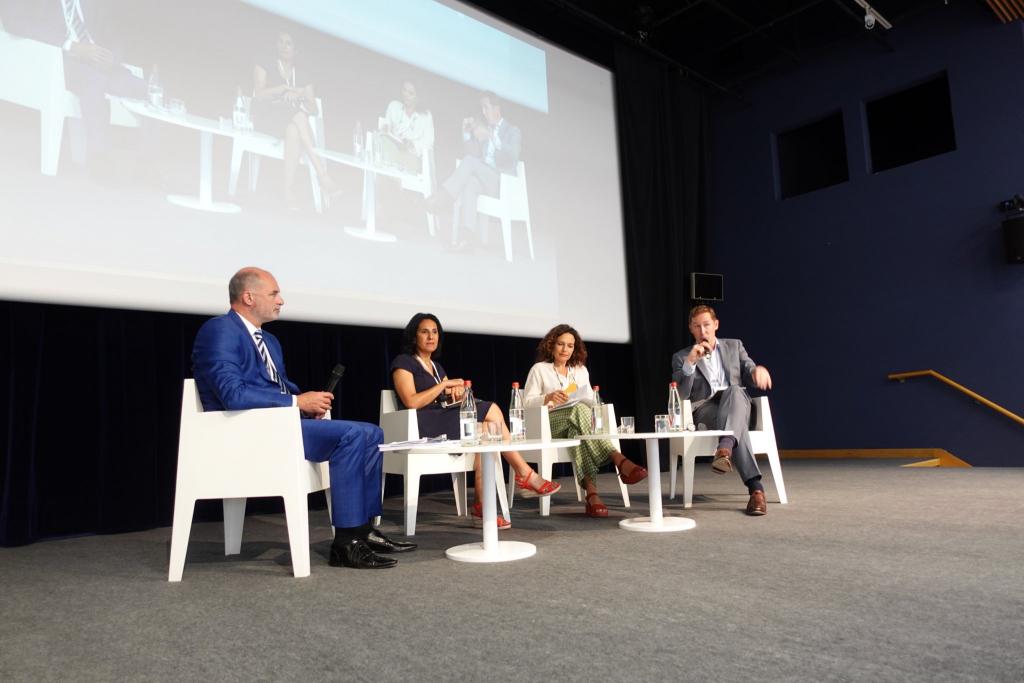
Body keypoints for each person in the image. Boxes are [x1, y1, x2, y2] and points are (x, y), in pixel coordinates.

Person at [192, 267, 416, 569]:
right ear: (247, 296)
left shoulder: (269, 341)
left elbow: (277, 386)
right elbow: (232, 394)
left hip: (279, 426)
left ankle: (363, 530)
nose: (281, 300)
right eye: (274, 294)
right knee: (352, 435)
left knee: (372, 433)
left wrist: (307, 402)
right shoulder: (219, 330)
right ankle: (346, 543)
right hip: (245, 432)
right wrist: (297, 402)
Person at [390, 313, 561, 528]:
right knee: (492, 409)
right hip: (420, 424)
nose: (431, 336)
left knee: (489, 432)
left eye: (435, 332)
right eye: (424, 331)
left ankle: (482, 506)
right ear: (414, 336)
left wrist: (458, 393)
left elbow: (444, 399)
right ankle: (524, 474)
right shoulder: (403, 362)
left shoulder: (436, 367)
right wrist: (443, 386)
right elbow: (412, 401)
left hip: (441, 418)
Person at [1, 0, 146, 175]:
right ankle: (99, 159)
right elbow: (14, 22)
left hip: (99, 63)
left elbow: (111, 31)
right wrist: (71, 45)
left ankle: (148, 164)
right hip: (58, 61)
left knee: (146, 91)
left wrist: (112, 57)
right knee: (94, 81)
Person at [523, 324, 648, 518]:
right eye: (561, 344)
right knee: (579, 413)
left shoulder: (580, 370)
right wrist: (547, 398)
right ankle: (618, 459)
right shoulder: (540, 369)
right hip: (547, 423)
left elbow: (590, 399)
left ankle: (592, 495)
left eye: (570, 346)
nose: (565, 349)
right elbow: (526, 403)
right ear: (551, 345)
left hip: (575, 421)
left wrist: (586, 401)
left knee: (578, 430)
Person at [670, 305, 774, 516]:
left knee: (735, 390)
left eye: (707, 325)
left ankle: (725, 448)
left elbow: (748, 367)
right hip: (707, 411)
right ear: (691, 329)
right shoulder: (681, 357)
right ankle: (756, 490)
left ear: (716, 325)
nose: (703, 331)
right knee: (737, 428)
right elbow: (681, 395)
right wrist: (691, 362)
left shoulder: (734, 346)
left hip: (737, 404)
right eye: (697, 326)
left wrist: (756, 371)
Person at [252, 32, 338, 209]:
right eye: (281, 42)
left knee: (293, 129)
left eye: (289, 43)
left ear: (296, 50)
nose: (284, 46)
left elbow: (314, 108)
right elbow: (259, 94)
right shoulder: (265, 64)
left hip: (291, 123)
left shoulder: (303, 75)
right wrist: (283, 89)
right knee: (298, 118)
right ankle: (322, 174)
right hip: (268, 119)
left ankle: (287, 191)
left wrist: (299, 96)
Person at [426, 90, 521, 249]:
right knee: (469, 183)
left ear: (496, 108)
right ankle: (467, 239)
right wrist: (466, 134)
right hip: (485, 181)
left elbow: (512, 156)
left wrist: (492, 138)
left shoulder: (512, 131)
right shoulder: (485, 131)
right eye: (482, 108)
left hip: (502, 184)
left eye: (486, 108)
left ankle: (445, 198)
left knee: (470, 164)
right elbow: (472, 157)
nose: (483, 112)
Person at [377, 81, 434, 173]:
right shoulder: (394, 106)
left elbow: (429, 142)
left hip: (411, 155)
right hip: (392, 149)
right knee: (381, 140)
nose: (406, 95)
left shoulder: (426, 116)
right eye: (404, 90)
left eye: (410, 93)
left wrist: (412, 144)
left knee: (398, 164)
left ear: (418, 97)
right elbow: (386, 125)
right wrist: (385, 128)